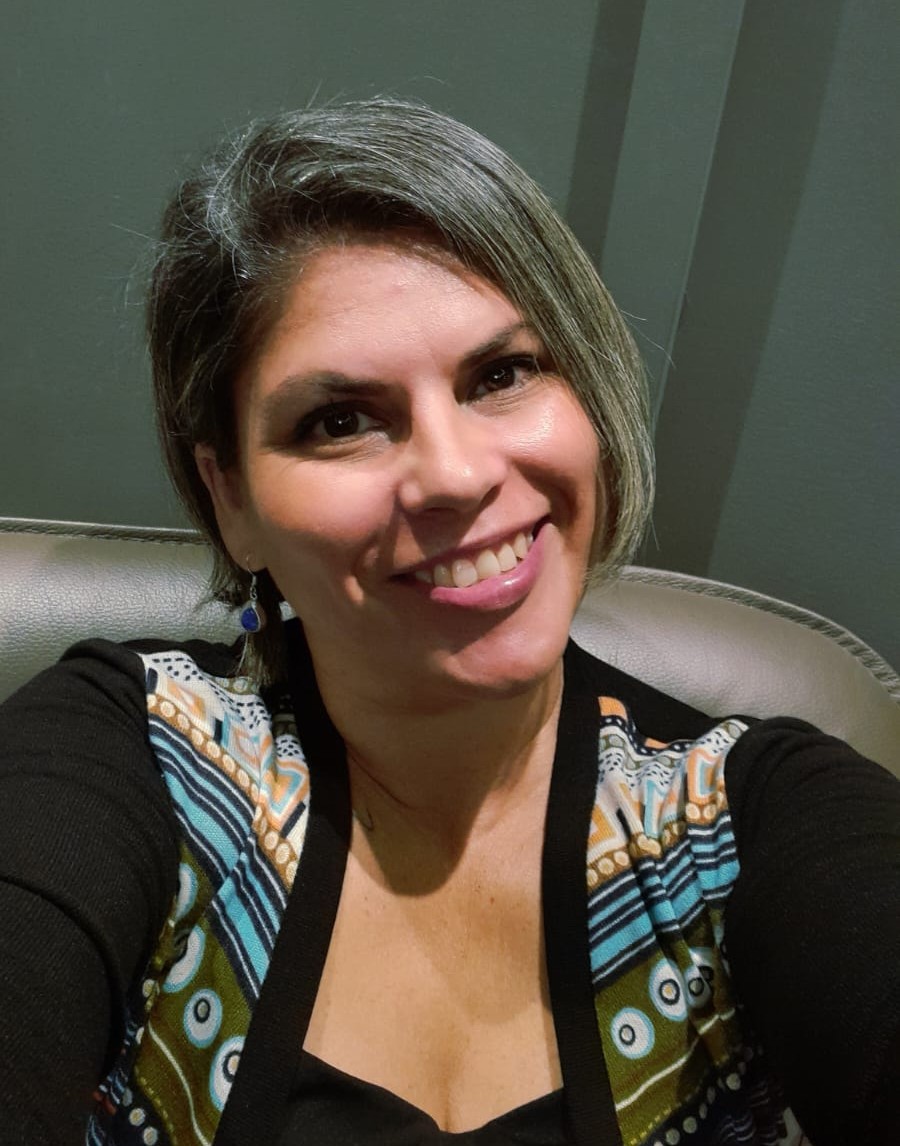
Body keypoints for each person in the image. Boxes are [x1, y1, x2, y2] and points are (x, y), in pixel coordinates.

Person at [0, 99, 897, 1146]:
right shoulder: (136, 754)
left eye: (503, 374)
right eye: (340, 420)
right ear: (230, 498)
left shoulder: (756, 815)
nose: (458, 475)